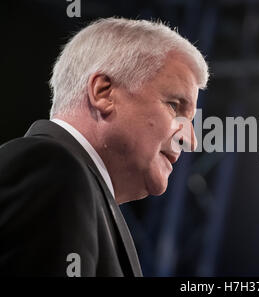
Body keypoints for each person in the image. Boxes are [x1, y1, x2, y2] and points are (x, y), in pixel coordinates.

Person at [0, 17, 208, 276]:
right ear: (104, 93)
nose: (190, 140)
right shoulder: (53, 169)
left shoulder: (78, 189)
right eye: (174, 105)